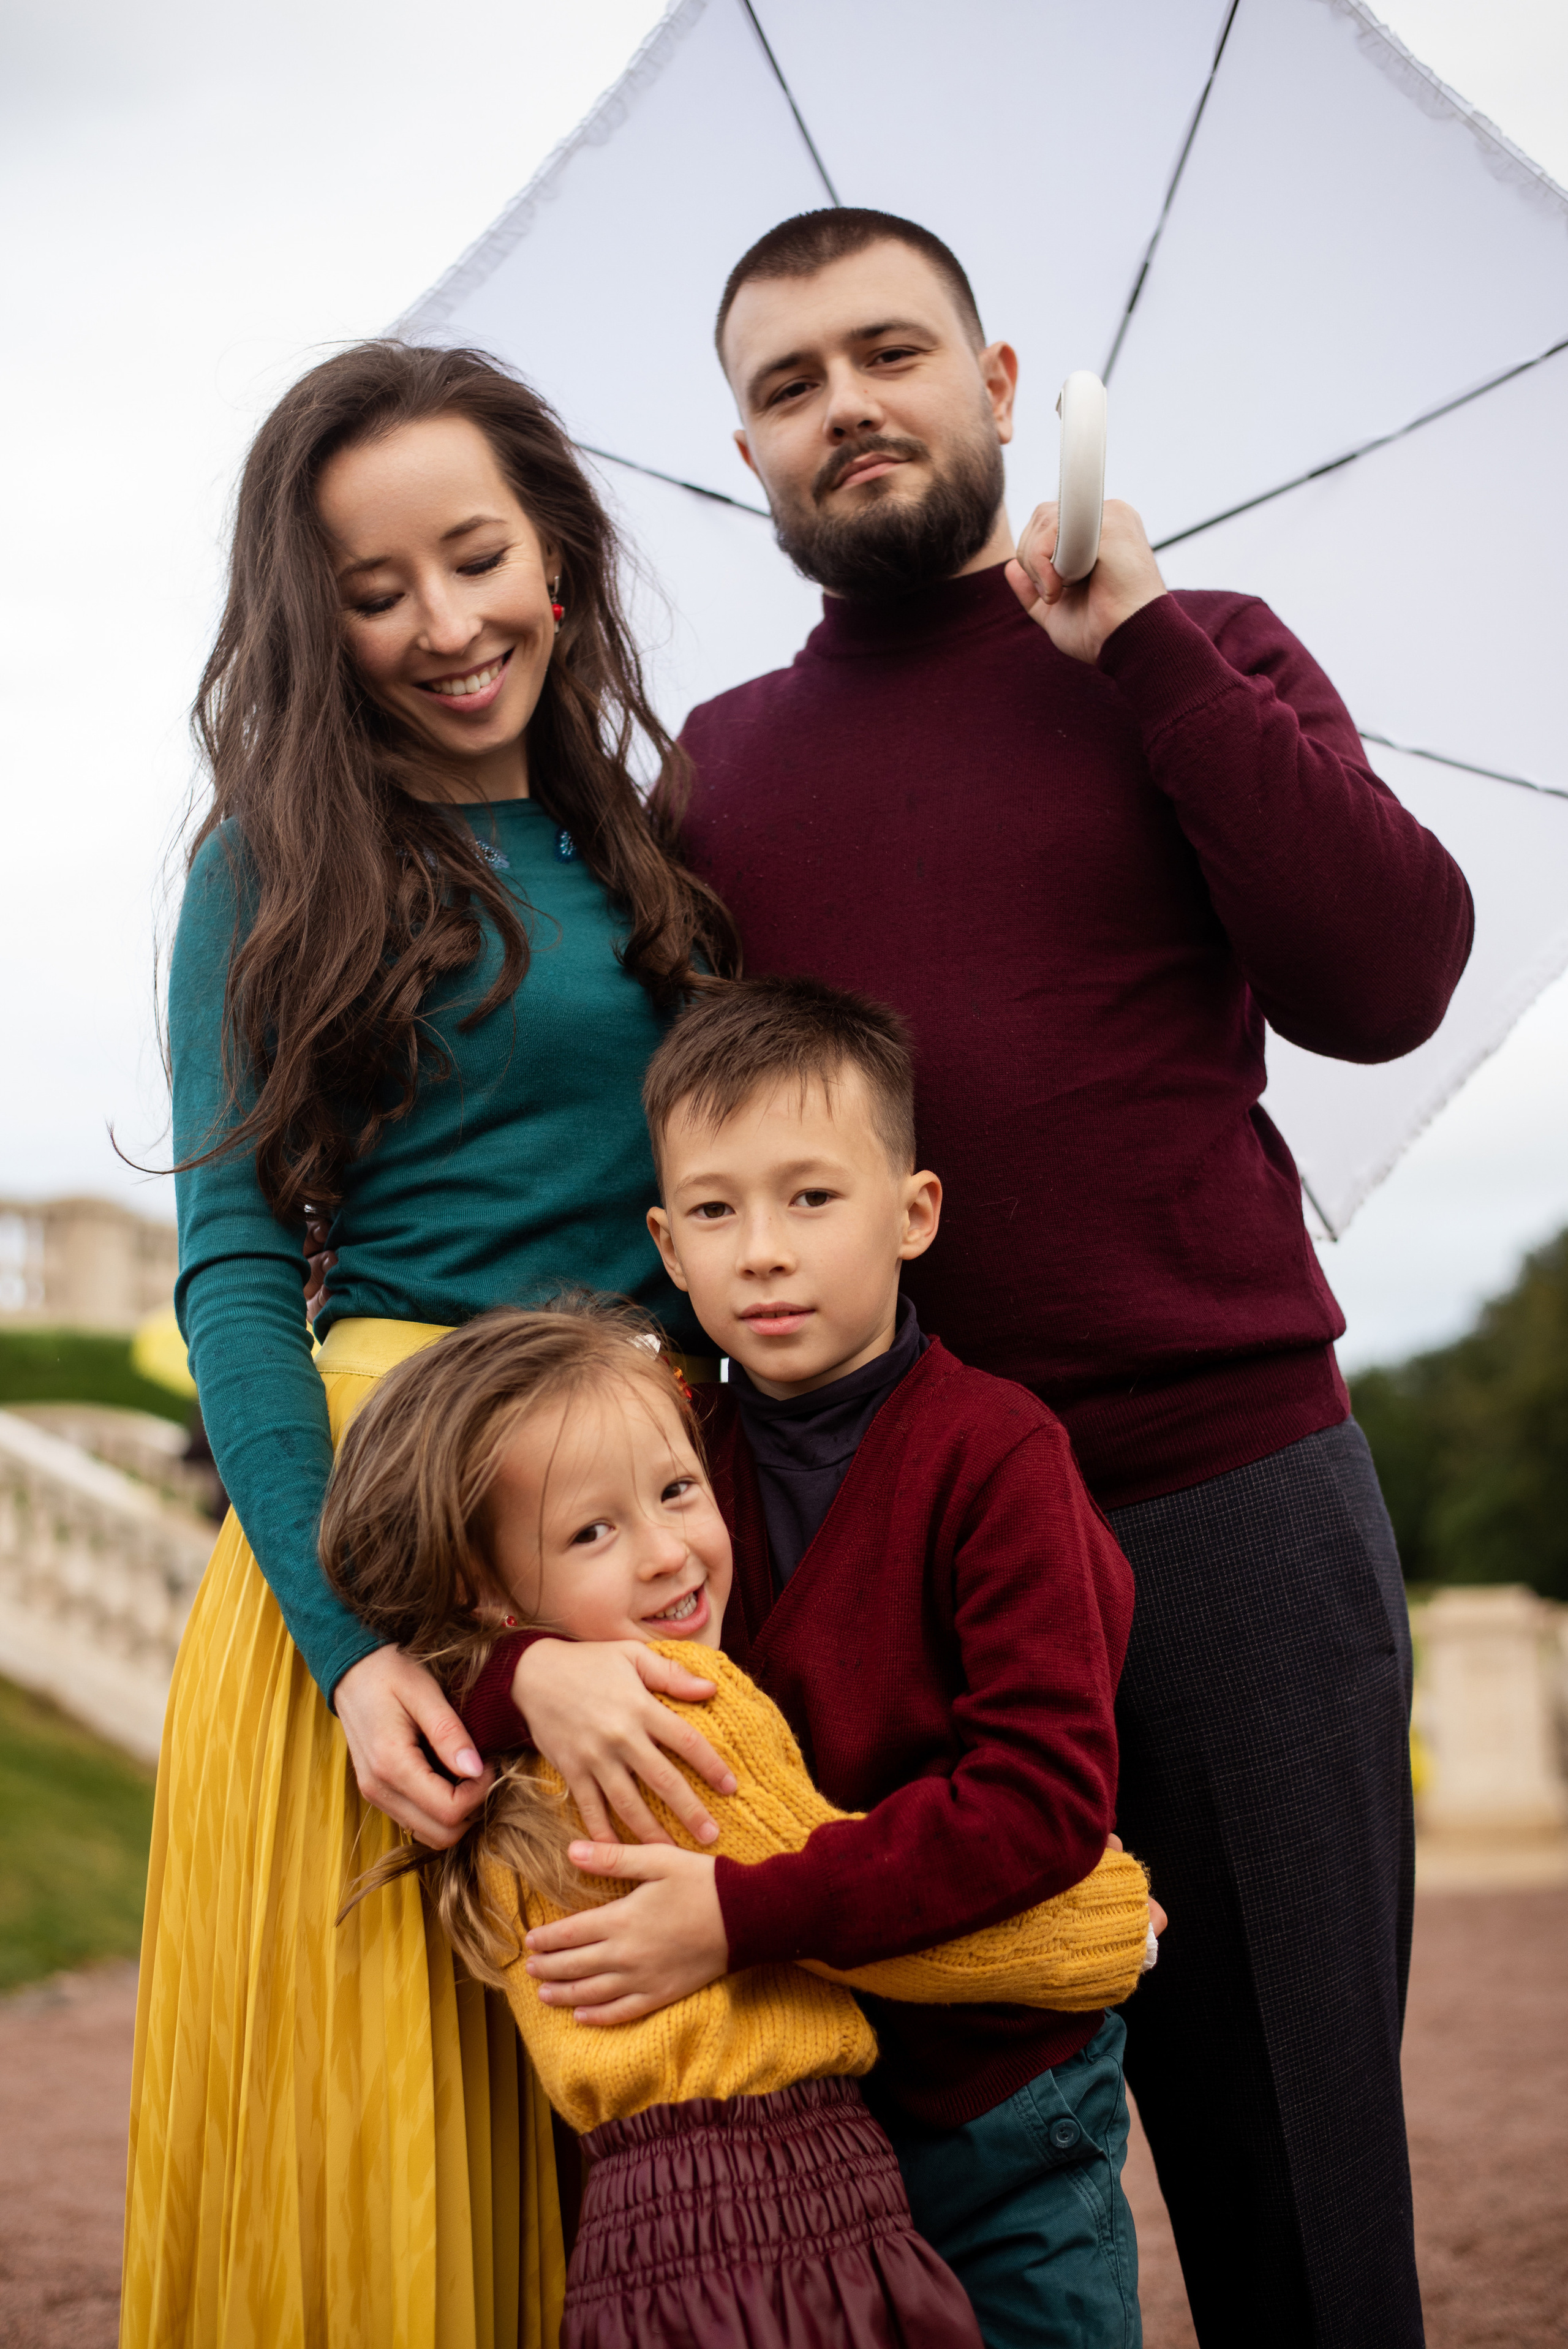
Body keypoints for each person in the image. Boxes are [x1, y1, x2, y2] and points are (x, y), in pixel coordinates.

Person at [664, 210, 1471, 2349]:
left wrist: (1147, 649)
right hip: (879, 1534)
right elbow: (672, 1167)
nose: (846, 402)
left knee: (1302, 2186)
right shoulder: (715, 772)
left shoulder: (1205, 646)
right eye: (785, 381)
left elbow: (1387, 979)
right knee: (921, 2213)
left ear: (1003, 385)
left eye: (888, 351)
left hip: (1228, 1508)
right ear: (745, 449)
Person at [124, 340, 753, 2347]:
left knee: (661, 2164)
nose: (439, 623)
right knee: (385, 2203)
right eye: (371, 589)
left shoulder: (656, 855)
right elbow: (234, 1265)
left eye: (472, 555)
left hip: (642, 1519)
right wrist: (360, 1639)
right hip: (384, 1544)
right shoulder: (268, 863)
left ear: (556, 557)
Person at [472, 978, 1159, 2347]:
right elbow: (478, 1622)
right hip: (797, 2122)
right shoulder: (670, 1454)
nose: (762, 1253)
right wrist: (524, 1678)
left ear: (912, 1213)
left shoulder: (993, 1454)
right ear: (664, 1245)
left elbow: (1039, 1802)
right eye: (716, 1212)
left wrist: (735, 1913)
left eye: (809, 1200)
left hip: (995, 2085)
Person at [318, 1294, 1158, 2348]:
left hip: (640, 2242)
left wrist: (517, 1672)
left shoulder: (502, 1761)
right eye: (592, 1531)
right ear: (485, 1587)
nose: (668, 1553)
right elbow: (863, 1922)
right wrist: (1108, 1927)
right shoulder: (673, 1723)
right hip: (791, 2214)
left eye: (679, 1491)